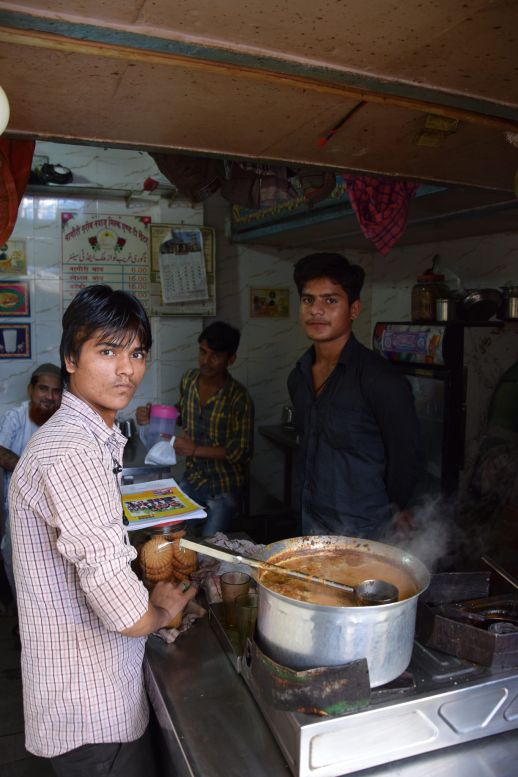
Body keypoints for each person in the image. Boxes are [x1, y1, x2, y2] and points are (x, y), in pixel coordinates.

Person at [9, 285, 196, 776]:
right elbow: (119, 604)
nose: (126, 369)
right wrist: (161, 611)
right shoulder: (72, 450)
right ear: (71, 358)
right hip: (91, 707)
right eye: (108, 351)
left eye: (137, 353)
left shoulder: (84, 438)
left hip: (83, 692)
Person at [288, 252, 423, 539]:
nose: (316, 310)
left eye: (330, 301)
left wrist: (397, 510)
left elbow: (406, 458)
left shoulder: (381, 380)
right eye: (308, 300)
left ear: (354, 309)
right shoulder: (298, 377)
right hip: (310, 519)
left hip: (365, 529)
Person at [137, 321, 254, 537]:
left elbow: (241, 452)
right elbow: (182, 414)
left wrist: (195, 450)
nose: (205, 361)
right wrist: (154, 415)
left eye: (215, 356)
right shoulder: (189, 380)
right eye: (203, 352)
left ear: (231, 359)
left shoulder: (239, 398)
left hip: (223, 486)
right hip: (193, 478)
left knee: (210, 546)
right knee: (172, 536)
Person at [0, 362, 63, 598]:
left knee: (53, 575)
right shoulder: (16, 416)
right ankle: (22, 613)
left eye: (56, 391)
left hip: (56, 511)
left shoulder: (63, 420)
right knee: (19, 569)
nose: (49, 396)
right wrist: (34, 472)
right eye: (43, 389)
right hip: (19, 509)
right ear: (31, 390)